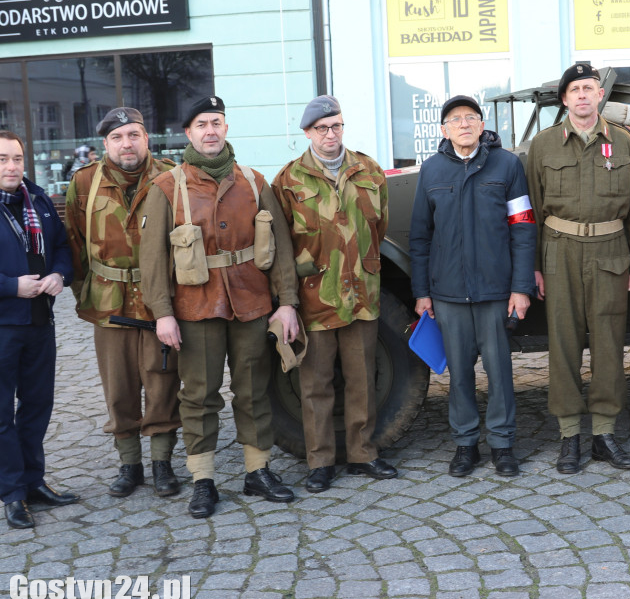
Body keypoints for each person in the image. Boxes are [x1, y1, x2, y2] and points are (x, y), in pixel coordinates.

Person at [140, 96, 301, 518]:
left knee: (253, 390)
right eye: (201, 124)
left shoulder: (253, 182)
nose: (210, 131)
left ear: (226, 128)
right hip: (195, 308)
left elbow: (282, 250)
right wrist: (162, 313)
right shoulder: (166, 188)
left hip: (251, 303)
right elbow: (153, 260)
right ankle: (203, 479)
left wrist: (286, 304)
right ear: (188, 133)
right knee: (199, 395)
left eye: (216, 122)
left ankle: (257, 471)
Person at [526, 63, 630, 474]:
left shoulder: (623, 143)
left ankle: (603, 432)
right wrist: (535, 267)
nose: (582, 95)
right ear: (564, 99)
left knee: (608, 345)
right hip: (559, 253)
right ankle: (568, 436)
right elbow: (529, 211)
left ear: (601, 96)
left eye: (589, 88)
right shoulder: (543, 146)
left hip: (611, 253)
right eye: (575, 89)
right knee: (562, 346)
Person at [272, 95, 397, 492]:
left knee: (363, 380)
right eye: (322, 128)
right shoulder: (288, 181)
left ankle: (363, 453)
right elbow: (281, 248)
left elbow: (379, 230)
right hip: (315, 299)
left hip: (361, 295)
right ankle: (320, 462)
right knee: (315, 386)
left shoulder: (369, 170)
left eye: (337, 126)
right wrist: (287, 302)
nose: (331, 134)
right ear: (307, 133)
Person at [409, 95, 536, 477]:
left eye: (471, 117)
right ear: (444, 130)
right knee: (459, 374)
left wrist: (521, 287)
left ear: (482, 126)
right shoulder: (431, 172)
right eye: (455, 119)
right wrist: (422, 293)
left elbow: (524, 229)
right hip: (447, 293)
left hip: (496, 291)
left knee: (499, 372)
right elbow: (419, 237)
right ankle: (465, 444)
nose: (463, 124)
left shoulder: (508, 165)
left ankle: (502, 443)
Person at [65, 108, 182, 498]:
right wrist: (87, 294)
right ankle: (129, 464)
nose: (126, 144)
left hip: (158, 304)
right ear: (105, 144)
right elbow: (75, 243)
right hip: (109, 303)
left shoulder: (170, 178)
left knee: (162, 383)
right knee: (119, 388)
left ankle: (162, 464)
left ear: (146, 138)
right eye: (118, 137)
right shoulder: (84, 183)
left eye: (133, 135)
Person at [0, 130, 78, 529]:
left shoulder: (40, 199)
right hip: (3, 325)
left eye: (16, 158)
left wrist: (60, 276)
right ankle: (12, 494)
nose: (11, 166)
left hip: (39, 322)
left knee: (38, 406)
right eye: (2, 160)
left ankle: (33, 482)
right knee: (1, 416)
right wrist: (12, 286)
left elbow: (63, 248)